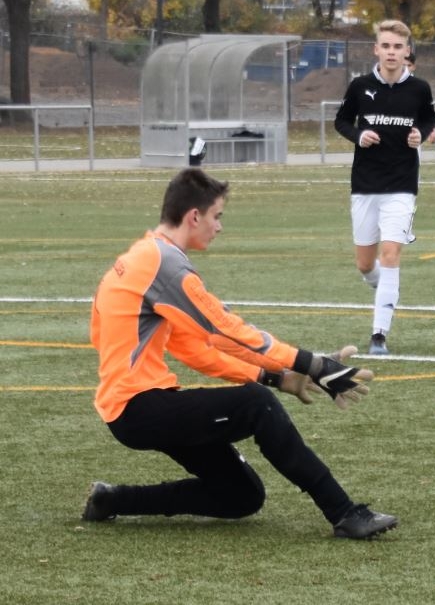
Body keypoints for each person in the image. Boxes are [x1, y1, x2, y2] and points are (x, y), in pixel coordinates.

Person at [82, 168, 397, 540]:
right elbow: (227, 329)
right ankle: (344, 512)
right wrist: (314, 364)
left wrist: (277, 376)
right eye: (217, 216)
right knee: (255, 405)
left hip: (135, 409)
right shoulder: (163, 263)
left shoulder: (142, 257)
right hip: (137, 407)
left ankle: (114, 500)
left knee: (242, 495)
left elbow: (199, 350)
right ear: (194, 216)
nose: (219, 226)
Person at [334, 20, 435, 356]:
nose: (392, 52)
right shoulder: (360, 86)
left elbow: (428, 119)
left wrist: (420, 133)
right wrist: (358, 136)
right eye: (386, 46)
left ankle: (379, 334)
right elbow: (342, 121)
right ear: (376, 49)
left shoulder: (419, 89)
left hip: (401, 185)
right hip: (365, 185)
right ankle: (385, 289)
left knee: (390, 254)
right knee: (366, 264)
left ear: (407, 52)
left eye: (398, 47)